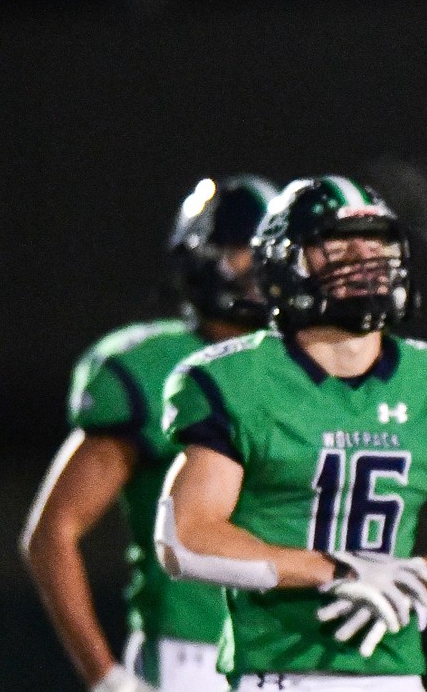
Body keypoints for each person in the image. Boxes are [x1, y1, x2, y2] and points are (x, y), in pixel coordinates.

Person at [156, 175, 427, 692]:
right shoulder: (236, 381)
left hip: (397, 675)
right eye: (337, 243)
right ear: (284, 262)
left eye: (378, 242)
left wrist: (422, 575)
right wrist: (337, 572)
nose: (365, 259)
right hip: (279, 673)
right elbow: (184, 539)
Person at [21, 175, 280, 692]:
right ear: (201, 259)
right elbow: (53, 534)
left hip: (298, 655)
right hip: (193, 656)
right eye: (239, 254)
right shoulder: (152, 371)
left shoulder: (305, 367)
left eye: (268, 256)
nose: (257, 272)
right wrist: (106, 677)